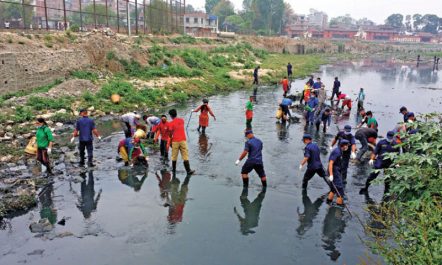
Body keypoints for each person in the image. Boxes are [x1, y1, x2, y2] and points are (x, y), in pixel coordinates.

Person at [168, 109, 195, 175]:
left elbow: (170, 134)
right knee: (185, 155)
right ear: (176, 114)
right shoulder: (182, 120)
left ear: (170, 115)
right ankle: (188, 170)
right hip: (183, 140)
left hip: (175, 141)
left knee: (174, 156)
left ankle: (174, 170)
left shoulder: (170, 123)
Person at [327, 139, 350, 206]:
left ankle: (329, 201)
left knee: (334, 188)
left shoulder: (340, 150)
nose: (347, 147)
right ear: (344, 145)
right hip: (334, 172)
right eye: (347, 145)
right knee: (340, 190)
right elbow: (331, 163)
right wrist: (331, 175)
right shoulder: (337, 152)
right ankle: (339, 206)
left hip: (336, 170)